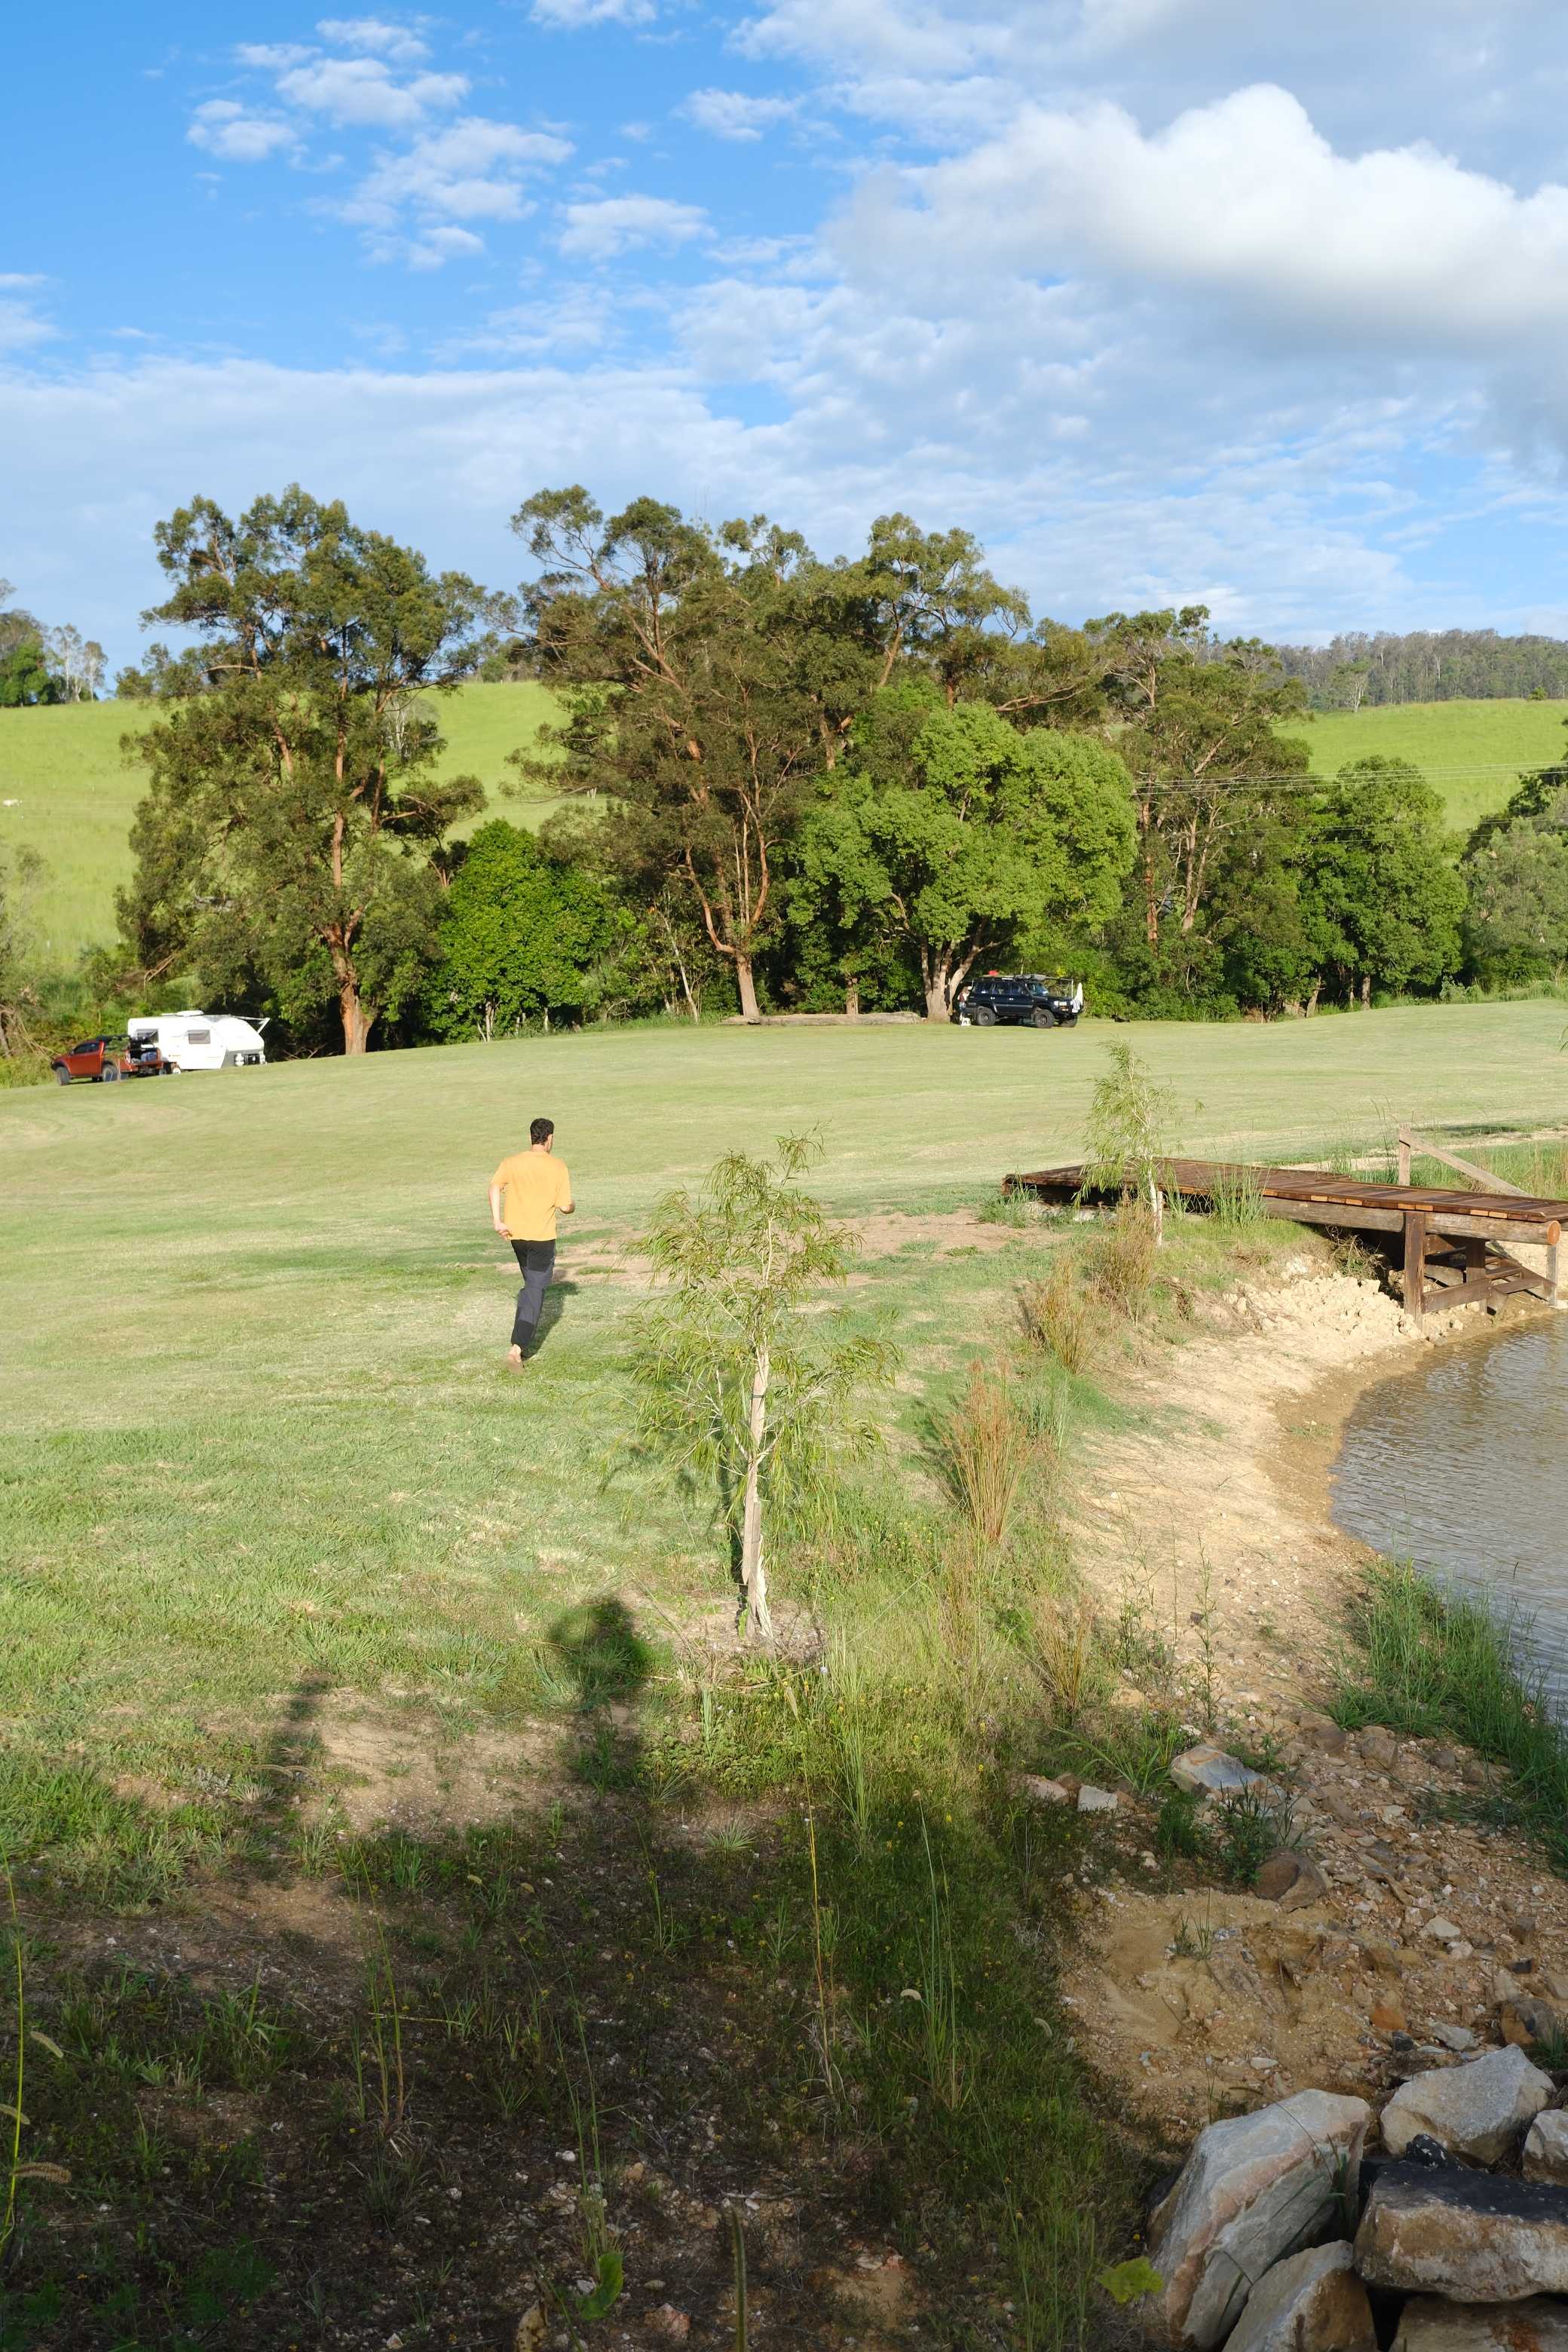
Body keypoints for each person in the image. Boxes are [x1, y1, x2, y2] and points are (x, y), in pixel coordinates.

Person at [488, 1116, 574, 1370]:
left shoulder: (511, 1163)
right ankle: (516, 1349)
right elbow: (566, 1206)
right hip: (542, 1238)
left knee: (531, 1287)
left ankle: (520, 1333)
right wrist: (572, 1206)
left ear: (531, 1138)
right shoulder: (558, 1166)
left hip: (516, 1236)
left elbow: (494, 1186)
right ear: (549, 1139)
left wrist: (497, 1221)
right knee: (535, 1290)